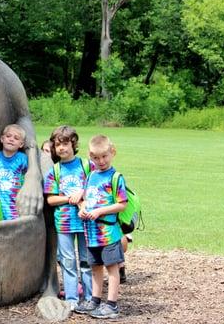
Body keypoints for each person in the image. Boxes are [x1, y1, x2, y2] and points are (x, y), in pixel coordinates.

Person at [76, 135, 128, 319]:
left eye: (105, 156)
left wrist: (100, 211)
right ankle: (95, 300)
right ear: (90, 156)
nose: (101, 161)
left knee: (112, 268)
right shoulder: (90, 176)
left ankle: (112, 305)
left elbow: (122, 204)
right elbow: (85, 200)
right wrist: (82, 209)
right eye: (96, 158)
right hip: (92, 234)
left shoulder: (116, 177)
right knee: (95, 267)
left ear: (112, 152)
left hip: (109, 234)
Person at [43, 126, 93, 311]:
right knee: (68, 262)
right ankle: (72, 299)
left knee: (87, 261)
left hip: (86, 221)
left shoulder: (87, 166)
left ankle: (90, 297)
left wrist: (82, 192)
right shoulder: (54, 171)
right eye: (57, 145)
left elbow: (98, 187)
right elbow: (51, 199)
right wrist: (68, 198)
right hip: (64, 223)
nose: (61, 148)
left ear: (73, 144)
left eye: (65, 143)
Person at [0, 124, 28, 220]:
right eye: (8, 136)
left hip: (16, 206)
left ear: (21, 144)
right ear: (2, 139)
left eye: (16, 138)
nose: (11, 139)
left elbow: (26, 178)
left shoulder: (22, 158)